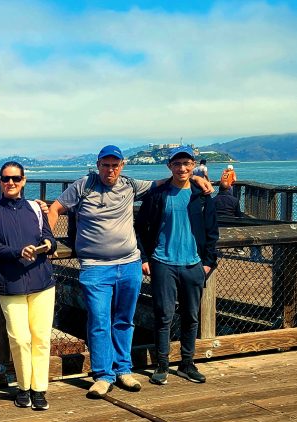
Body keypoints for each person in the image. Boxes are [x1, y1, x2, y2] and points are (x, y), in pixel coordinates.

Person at [47, 145, 212, 399]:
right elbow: (55, 208)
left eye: (115, 165)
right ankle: (103, 375)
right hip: (95, 266)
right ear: (98, 164)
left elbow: (166, 181)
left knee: (125, 320)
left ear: (122, 165)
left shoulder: (130, 185)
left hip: (129, 265)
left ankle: (123, 369)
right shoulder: (84, 185)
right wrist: (49, 240)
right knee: (99, 321)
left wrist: (196, 177)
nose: (110, 169)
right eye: (105, 164)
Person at [135, 146, 219, 386]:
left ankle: (187, 363)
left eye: (186, 164)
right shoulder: (158, 195)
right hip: (163, 262)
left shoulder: (201, 195)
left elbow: (212, 231)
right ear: (169, 167)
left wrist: (207, 264)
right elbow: (140, 228)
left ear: (192, 166)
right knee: (164, 316)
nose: (182, 168)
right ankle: (162, 365)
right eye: (177, 164)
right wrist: (144, 258)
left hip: (193, 264)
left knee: (191, 316)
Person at [0, 162, 57, 411]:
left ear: (24, 180)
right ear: (1, 182)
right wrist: (17, 252)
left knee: (41, 338)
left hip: (42, 282)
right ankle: (23, 387)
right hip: (10, 283)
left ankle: (39, 389)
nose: (10, 183)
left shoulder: (36, 208)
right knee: (19, 338)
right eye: (5, 179)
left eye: (15, 178)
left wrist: (48, 243)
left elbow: (50, 237)